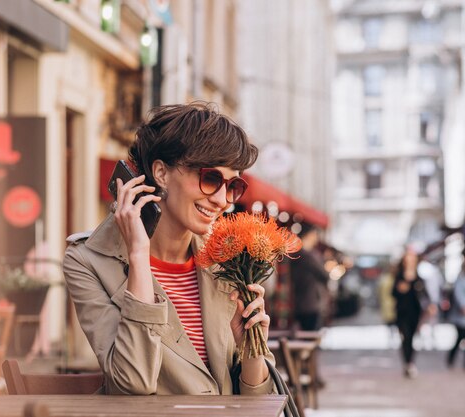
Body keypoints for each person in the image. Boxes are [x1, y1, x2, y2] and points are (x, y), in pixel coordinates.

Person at [63, 102, 275, 395]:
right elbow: (132, 383)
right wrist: (139, 256)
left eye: (233, 186)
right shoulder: (88, 261)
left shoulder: (227, 260)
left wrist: (252, 349)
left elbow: (260, 406)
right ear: (161, 173)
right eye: (211, 179)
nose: (223, 200)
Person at [391, 246, 434, 378]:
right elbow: (392, 293)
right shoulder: (398, 275)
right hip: (402, 312)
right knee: (406, 337)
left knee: (412, 338)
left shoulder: (418, 276)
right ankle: (407, 363)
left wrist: (430, 305)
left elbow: (424, 294)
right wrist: (400, 290)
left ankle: (410, 362)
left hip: (415, 312)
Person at [290, 223, 329, 331]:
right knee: (311, 336)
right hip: (309, 304)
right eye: (315, 235)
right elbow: (324, 274)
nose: (316, 238)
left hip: (303, 303)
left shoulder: (300, 254)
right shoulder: (306, 255)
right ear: (309, 235)